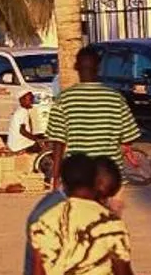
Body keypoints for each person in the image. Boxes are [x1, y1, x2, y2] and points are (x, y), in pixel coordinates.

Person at [42, 47, 139, 179]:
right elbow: (129, 136)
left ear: (76, 67)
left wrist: (55, 178)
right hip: (110, 178)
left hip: (78, 178)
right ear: (98, 67)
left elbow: (58, 143)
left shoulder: (64, 99)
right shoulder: (116, 98)